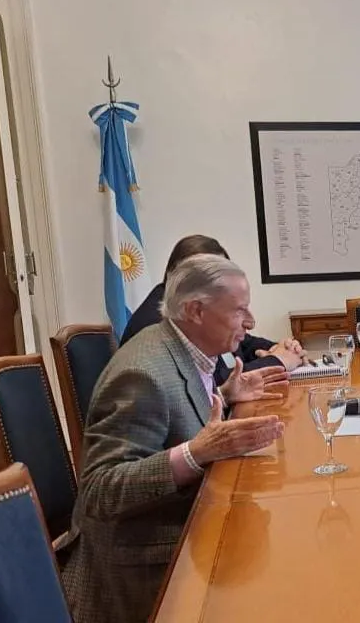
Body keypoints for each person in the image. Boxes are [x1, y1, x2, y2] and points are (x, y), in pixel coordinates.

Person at [62, 254, 287, 623]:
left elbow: (170, 414)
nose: (250, 322)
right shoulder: (142, 374)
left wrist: (225, 395)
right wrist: (195, 454)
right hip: (141, 565)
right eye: (239, 310)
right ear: (196, 311)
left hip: (179, 527)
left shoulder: (178, 347)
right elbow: (100, 490)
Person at [121, 234, 306, 383]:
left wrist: (279, 349)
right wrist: (277, 361)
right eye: (214, 274)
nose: (250, 322)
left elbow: (243, 343)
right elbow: (209, 383)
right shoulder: (161, 323)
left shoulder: (195, 306)